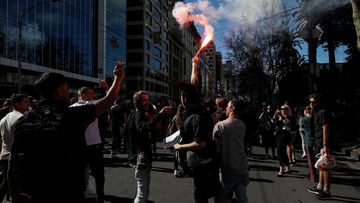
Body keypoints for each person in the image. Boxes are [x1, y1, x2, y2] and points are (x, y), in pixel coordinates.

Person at [9, 61, 125, 203]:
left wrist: (14, 193)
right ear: (59, 91)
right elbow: (108, 100)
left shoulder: (24, 120)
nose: (68, 92)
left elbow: (13, 159)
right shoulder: (71, 115)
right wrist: (118, 78)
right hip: (68, 191)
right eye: (66, 88)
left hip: (36, 191)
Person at [173, 82, 218, 203]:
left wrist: (180, 146)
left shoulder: (196, 115)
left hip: (203, 162)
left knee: (201, 196)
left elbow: (200, 143)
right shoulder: (194, 112)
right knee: (203, 194)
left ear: (185, 98)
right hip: (202, 162)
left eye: (182, 96)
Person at [126, 90, 171, 203]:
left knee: (141, 189)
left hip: (139, 156)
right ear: (138, 102)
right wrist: (160, 114)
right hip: (141, 157)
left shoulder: (134, 114)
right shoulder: (138, 114)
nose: (148, 102)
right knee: (142, 191)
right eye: (144, 100)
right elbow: (143, 128)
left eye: (148, 100)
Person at [70, 86, 110, 203]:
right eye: (91, 93)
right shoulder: (90, 106)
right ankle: (100, 198)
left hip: (78, 146)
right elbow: (108, 100)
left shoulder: (70, 108)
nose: (94, 96)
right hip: (93, 145)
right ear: (82, 94)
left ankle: (81, 195)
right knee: (99, 175)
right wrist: (107, 88)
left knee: (78, 173)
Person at [213, 98, 249, 203]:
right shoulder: (242, 125)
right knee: (242, 198)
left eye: (228, 106)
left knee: (222, 198)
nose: (226, 108)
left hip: (227, 170)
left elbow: (216, 149)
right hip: (242, 168)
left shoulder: (220, 126)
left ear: (233, 108)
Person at [0, 94, 30, 202]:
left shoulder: (4, 118)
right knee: (19, 190)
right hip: (16, 158)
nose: (28, 103)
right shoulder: (20, 118)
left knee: (8, 185)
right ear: (17, 104)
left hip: (5, 155)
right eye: (25, 101)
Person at [306, 93, 332, 199]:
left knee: (325, 167)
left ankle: (327, 191)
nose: (311, 103)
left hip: (322, 142)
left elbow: (325, 128)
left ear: (318, 103)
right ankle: (320, 187)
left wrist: (325, 146)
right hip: (318, 141)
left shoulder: (322, 112)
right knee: (321, 166)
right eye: (310, 101)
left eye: (314, 102)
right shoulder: (316, 112)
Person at [273, 104, 296, 177]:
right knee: (282, 152)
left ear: (288, 110)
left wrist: (281, 117)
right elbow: (275, 123)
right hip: (279, 135)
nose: (283, 110)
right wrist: (275, 115)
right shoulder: (280, 116)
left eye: (284, 109)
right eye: (282, 109)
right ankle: (288, 167)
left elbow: (288, 124)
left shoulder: (290, 117)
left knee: (279, 151)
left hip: (286, 135)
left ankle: (281, 169)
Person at [300, 106, 317, 182]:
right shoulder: (315, 119)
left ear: (306, 112)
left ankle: (313, 176)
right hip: (316, 140)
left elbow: (301, 129)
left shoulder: (303, 119)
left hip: (308, 141)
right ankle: (312, 173)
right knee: (316, 159)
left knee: (310, 160)